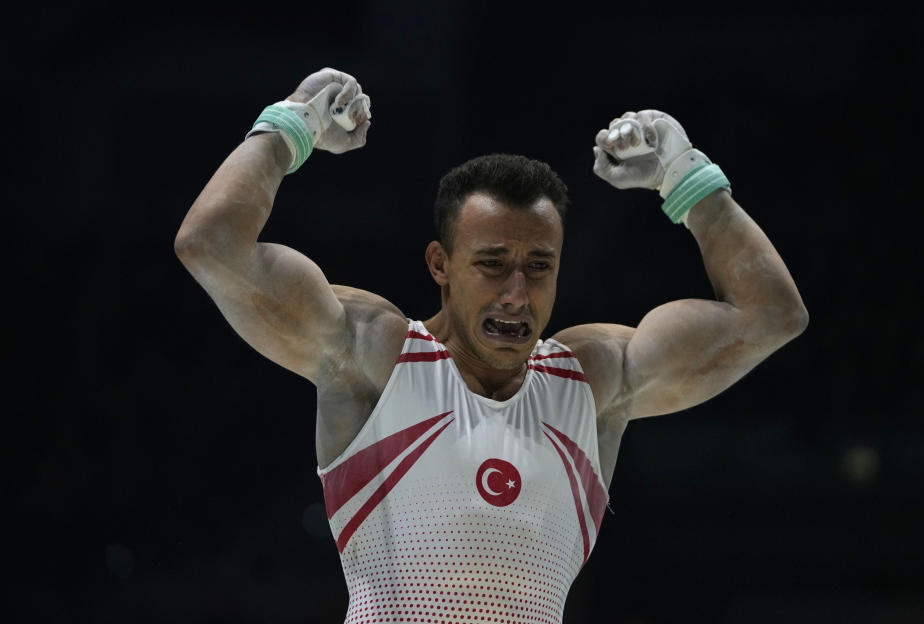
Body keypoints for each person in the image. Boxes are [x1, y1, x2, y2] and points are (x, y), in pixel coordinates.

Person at [175, 67, 807, 623]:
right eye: (492, 263)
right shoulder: (376, 357)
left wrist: (688, 179)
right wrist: (292, 123)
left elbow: (771, 315)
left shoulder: (591, 383)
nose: (516, 293)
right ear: (439, 264)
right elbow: (211, 246)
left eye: (539, 266)